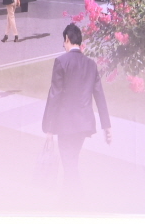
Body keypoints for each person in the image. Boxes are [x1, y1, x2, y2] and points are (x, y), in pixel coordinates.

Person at [42, 22, 112, 183]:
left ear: (67, 39)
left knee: (69, 166)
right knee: (71, 163)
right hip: (84, 125)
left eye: (64, 41)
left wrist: (49, 128)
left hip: (65, 125)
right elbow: (99, 96)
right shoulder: (91, 64)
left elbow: (54, 95)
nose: (63, 45)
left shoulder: (61, 61)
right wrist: (106, 126)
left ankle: (75, 195)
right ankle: (69, 195)